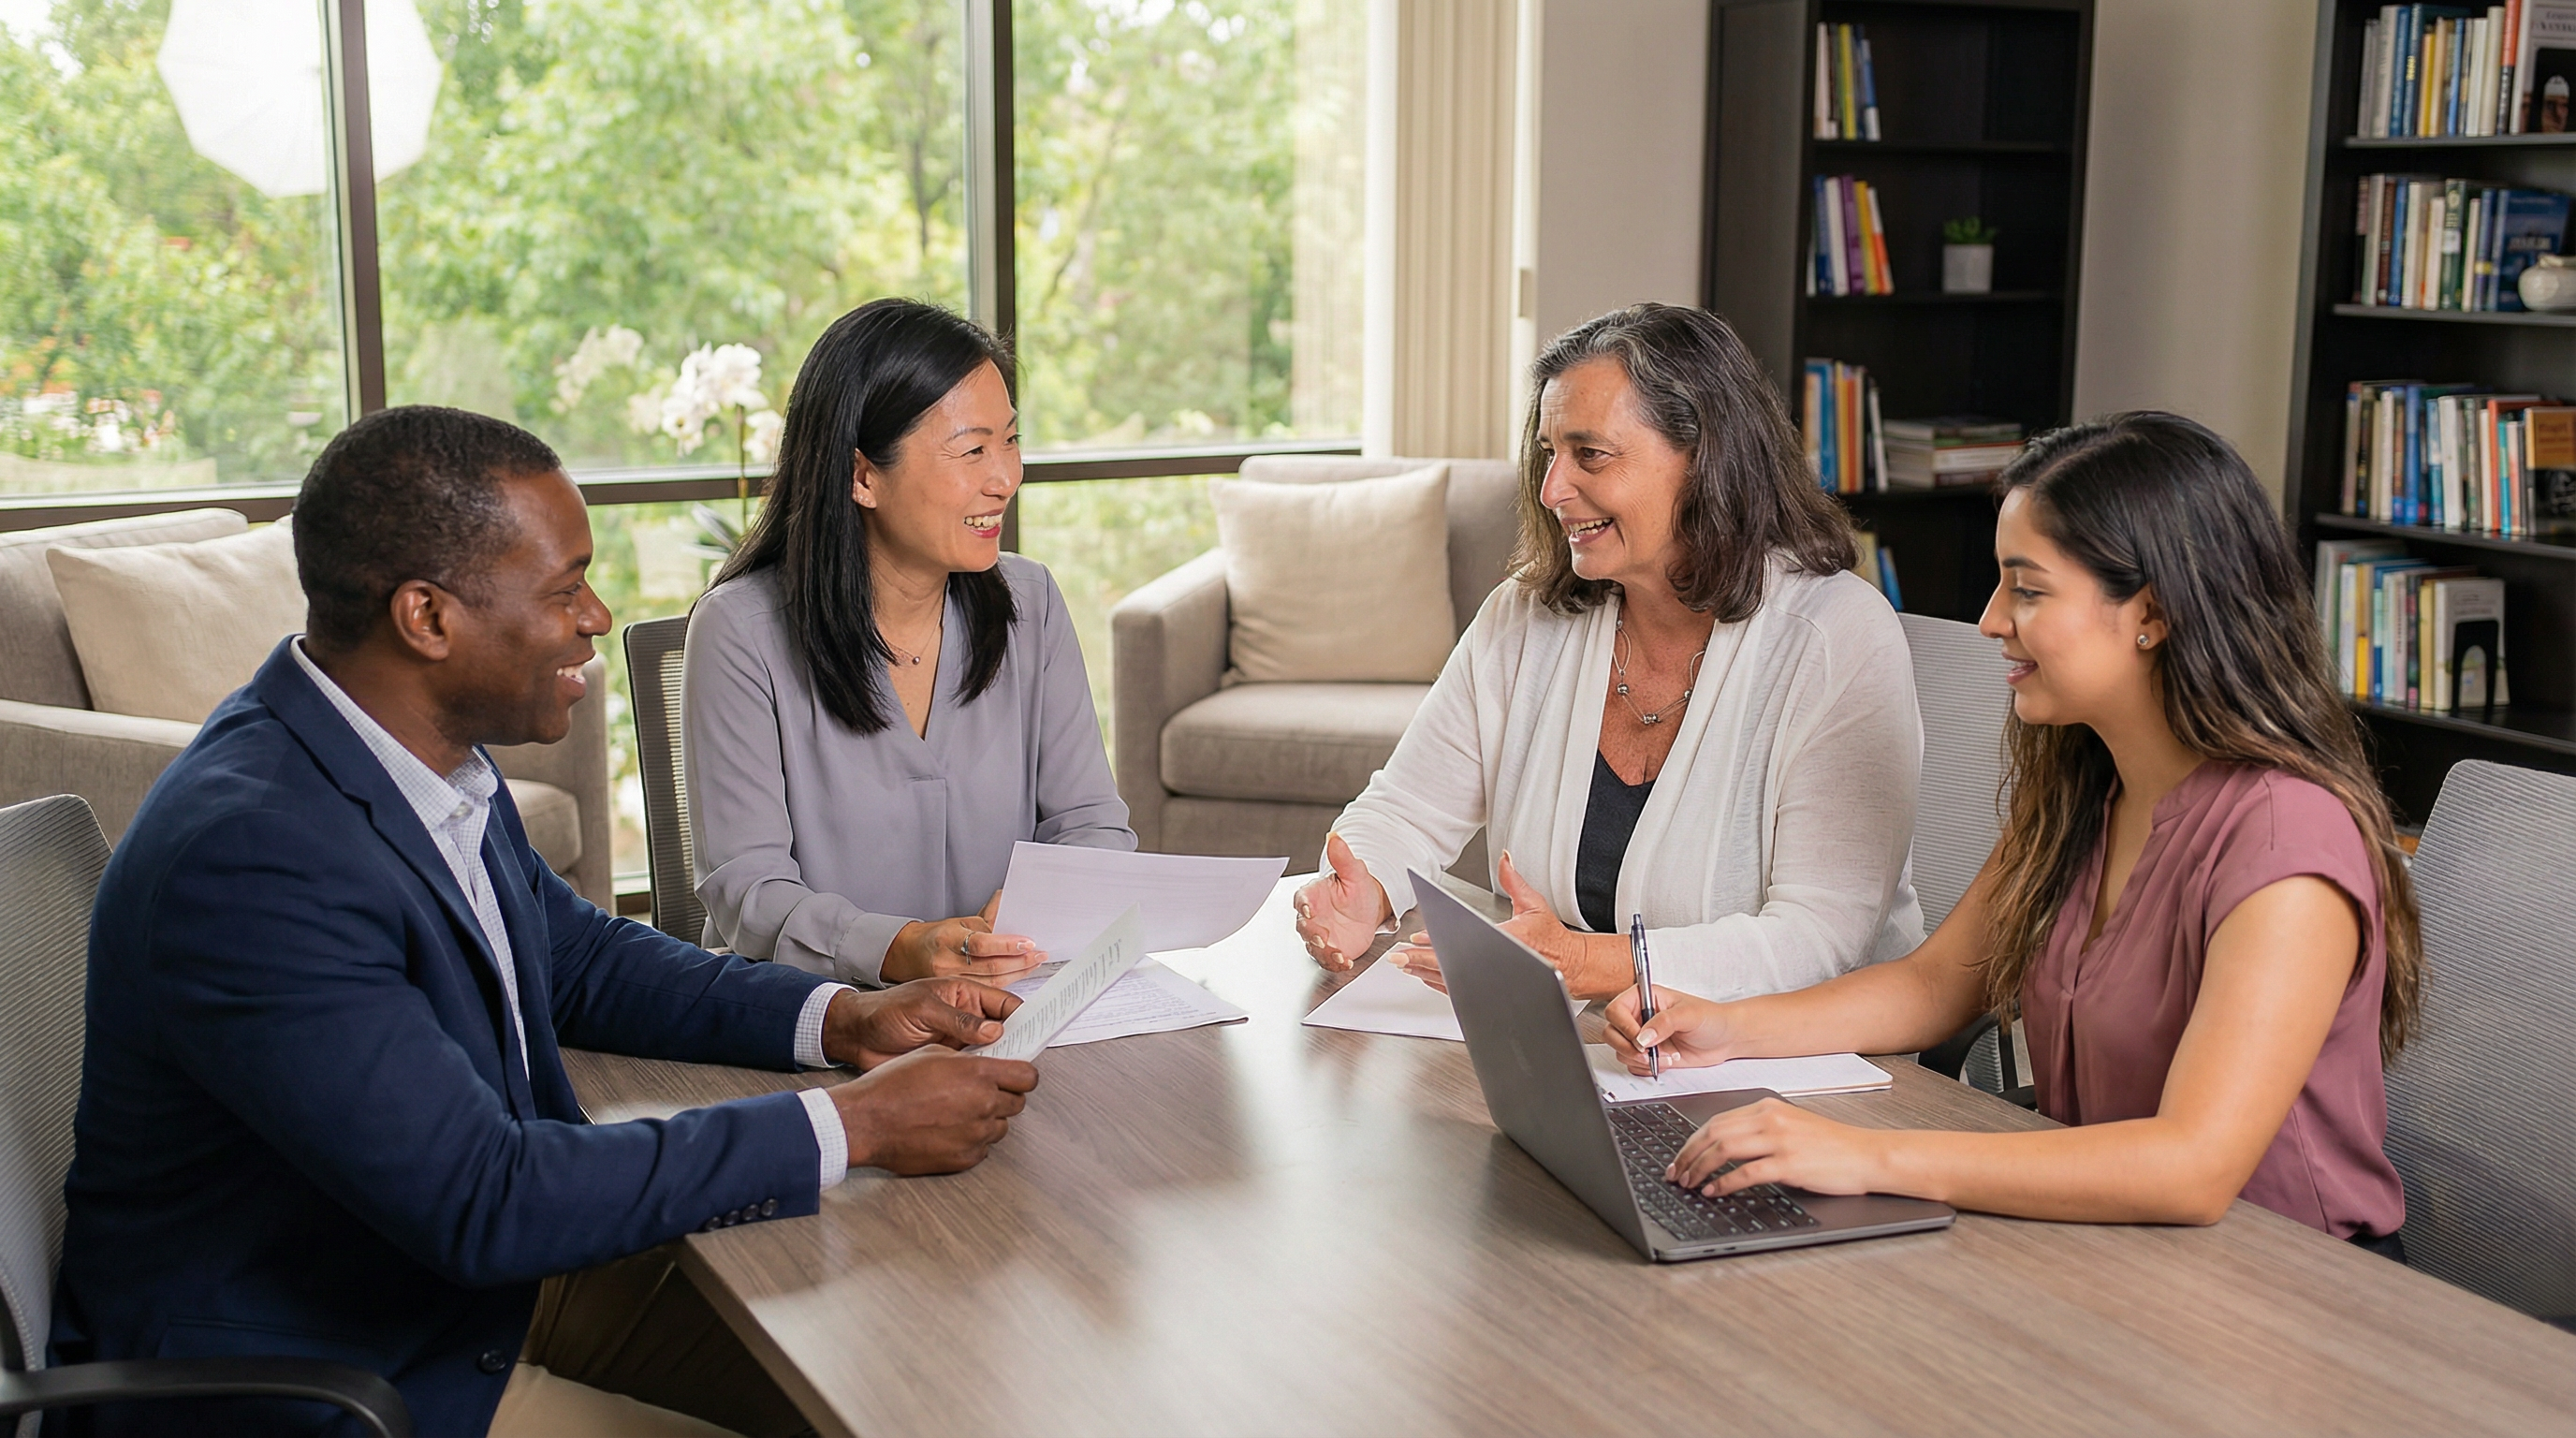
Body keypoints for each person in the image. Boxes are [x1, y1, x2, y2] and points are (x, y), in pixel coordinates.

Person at [51, 405, 1043, 1437]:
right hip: (336, 1372)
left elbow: (577, 960)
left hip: (457, 1293)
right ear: (427, 619)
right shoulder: (254, 857)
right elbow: (486, 1197)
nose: (599, 616)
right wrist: (859, 1122)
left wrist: (846, 1018)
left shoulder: (412, 756)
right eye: (564, 589)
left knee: (901, 1367)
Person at [1605, 412, 2420, 1252]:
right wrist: (1725, 1027)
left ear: (2155, 613)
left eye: (2027, 589)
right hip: (2107, 1245)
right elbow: (1935, 988)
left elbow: (2193, 1166)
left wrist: (1870, 1156)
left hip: (2285, 1286)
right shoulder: (2088, 785)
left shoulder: (2289, 844)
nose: (1991, 619)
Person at [1293, 303, 1925, 1002]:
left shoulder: (1834, 637)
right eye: (1548, 453)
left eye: (1590, 454)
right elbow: (1408, 806)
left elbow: (1820, 939)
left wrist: (1586, 964)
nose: (1551, 489)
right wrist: (1365, 891)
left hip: (1808, 1065)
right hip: (1593, 1039)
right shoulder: (1524, 616)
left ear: (1706, 458)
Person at [687, 300, 1133, 989]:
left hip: (1006, 1005)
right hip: (815, 1023)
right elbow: (749, 894)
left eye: (1010, 441)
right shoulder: (739, 633)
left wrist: (1039, 907)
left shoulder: (1030, 602)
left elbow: (1093, 825)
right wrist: (903, 948)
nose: (1006, 477)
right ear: (862, 475)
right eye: (972, 449)